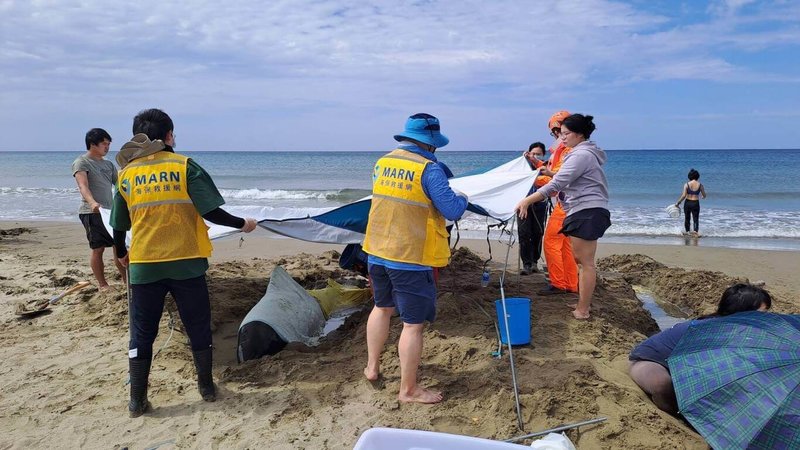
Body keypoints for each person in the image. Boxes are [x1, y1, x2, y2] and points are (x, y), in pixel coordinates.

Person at [110, 109, 257, 418]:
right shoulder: (185, 166)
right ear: (169, 136)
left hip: (145, 265)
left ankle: (137, 400)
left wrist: (119, 253)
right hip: (186, 264)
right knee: (197, 326)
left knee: (141, 333)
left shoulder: (127, 174)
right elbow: (212, 212)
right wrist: (243, 223)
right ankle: (206, 387)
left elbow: (119, 224)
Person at [361, 113, 468, 404]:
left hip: (376, 251)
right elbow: (453, 210)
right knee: (412, 325)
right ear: (430, 144)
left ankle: (372, 368)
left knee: (381, 308)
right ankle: (408, 390)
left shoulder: (382, 162)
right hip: (409, 256)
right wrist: (463, 198)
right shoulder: (429, 169)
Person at [515, 114, 610, 320]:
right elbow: (558, 177)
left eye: (566, 133)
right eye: (560, 133)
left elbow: (557, 184)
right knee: (580, 260)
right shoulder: (581, 153)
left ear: (579, 134)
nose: (562, 138)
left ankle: (583, 310)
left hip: (587, 210)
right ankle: (580, 302)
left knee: (586, 263)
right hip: (583, 209)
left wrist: (527, 200)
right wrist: (539, 165)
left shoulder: (579, 155)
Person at [628, 283, 772, 415]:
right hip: (649, 362)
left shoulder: (737, 330)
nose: (765, 319)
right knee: (663, 386)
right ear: (741, 312)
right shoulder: (709, 330)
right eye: (761, 314)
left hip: (679, 368)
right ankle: (676, 416)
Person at [71, 128, 127, 290]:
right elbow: (83, 186)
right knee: (98, 249)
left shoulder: (108, 164)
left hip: (111, 212)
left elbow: (120, 186)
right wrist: (93, 203)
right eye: (104, 144)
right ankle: (103, 285)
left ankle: (126, 280)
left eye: (108, 144)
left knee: (119, 246)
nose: (107, 147)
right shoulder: (82, 162)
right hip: (91, 212)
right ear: (92, 144)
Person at [536, 111, 579, 295]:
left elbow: (558, 180)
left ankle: (558, 283)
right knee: (565, 245)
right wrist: (536, 165)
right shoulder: (569, 149)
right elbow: (554, 174)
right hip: (574, 204)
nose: (555, 135)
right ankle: (570, 283)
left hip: (566, 205)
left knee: (552, 241)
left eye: (556, 130)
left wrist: (534, 179)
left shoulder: (567, 150)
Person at [518, 142, 548, 275]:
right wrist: (524, 160)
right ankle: (526, 264)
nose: (536, 156)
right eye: (533, 153)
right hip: (523, 203)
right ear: (529, 153)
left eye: (539, 154)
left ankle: (534, 261)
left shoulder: (546, 167)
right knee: (524, 233)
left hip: (540, 203)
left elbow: (549, 182)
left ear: (543, 155)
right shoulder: (522, 166)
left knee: (538, 232)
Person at [674, 169, 706, 236]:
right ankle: (695, 232)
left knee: (687, 218)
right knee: (696, 218)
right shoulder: (700, 185)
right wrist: (703, 196)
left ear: (689, 176)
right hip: (695, 203)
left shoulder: (687, 184)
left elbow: (683, 195)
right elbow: (704, 195)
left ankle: (687, 232)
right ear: (697, 176)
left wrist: (678, 203)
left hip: (688, 203)